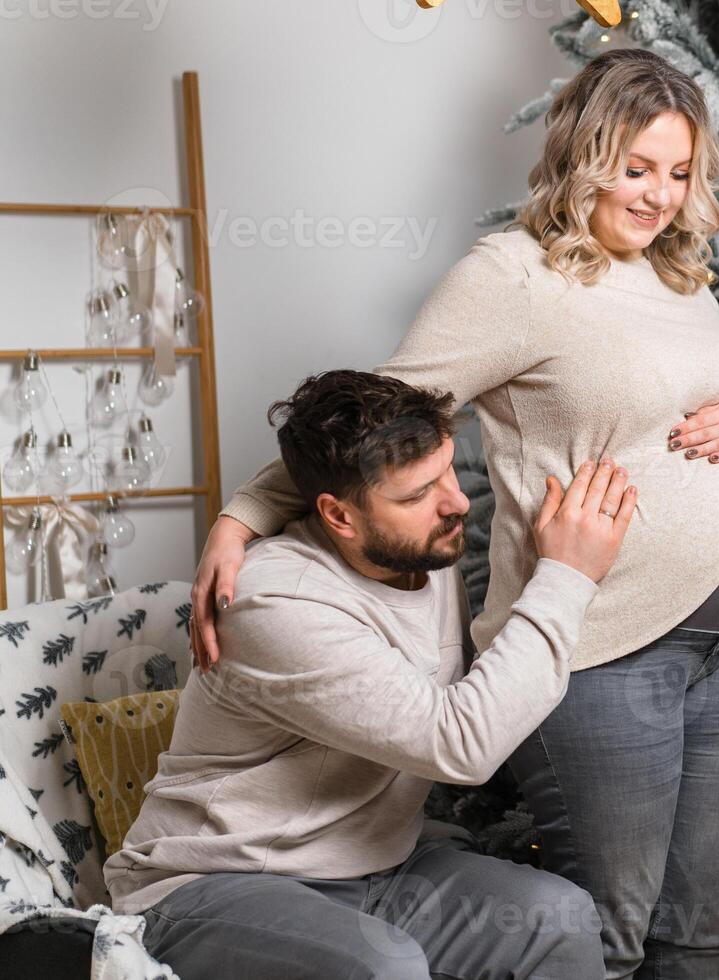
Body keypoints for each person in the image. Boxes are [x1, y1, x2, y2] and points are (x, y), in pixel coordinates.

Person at [188, 48, 719, 979]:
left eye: (678, 173)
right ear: (585, 156)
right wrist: (242, 515)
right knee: (616, 937)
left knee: (703, 931)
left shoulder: (682, 279)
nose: (659, 196)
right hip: (607, 647)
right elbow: (379, 417)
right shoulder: (513, 276)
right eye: (636, 169)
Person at [105, 370, 636, 979]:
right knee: (381, 969)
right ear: (338, 516)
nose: (457, 502)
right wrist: (568, 575)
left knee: (558, 919)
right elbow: (460, 744)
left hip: (372, 869)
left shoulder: (419, 550)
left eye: (445, 471)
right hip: (213, 883)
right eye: (416, 496)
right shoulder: (275, 602)